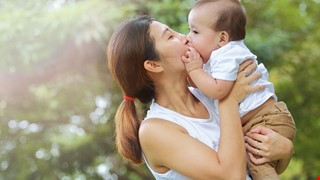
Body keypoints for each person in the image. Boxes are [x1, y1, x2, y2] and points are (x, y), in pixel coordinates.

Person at [107, 15, 294, 179]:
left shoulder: (208, 94)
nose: (186, 38)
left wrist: (285, 149)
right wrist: (228, 98)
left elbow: (257, 165)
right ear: (153, 65)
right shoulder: (154, 130)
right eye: (171, 36)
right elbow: (232, 175)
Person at [182, 0, 296, 179]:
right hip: (258, 122)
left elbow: (217, 91)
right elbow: (204, 86)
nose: (188, 37)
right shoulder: (216, 58)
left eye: (195, 31)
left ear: (222, 38)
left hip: (267, 119)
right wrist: (192, 72)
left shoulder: (228, 54)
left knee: (259, 168)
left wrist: (194, 69)